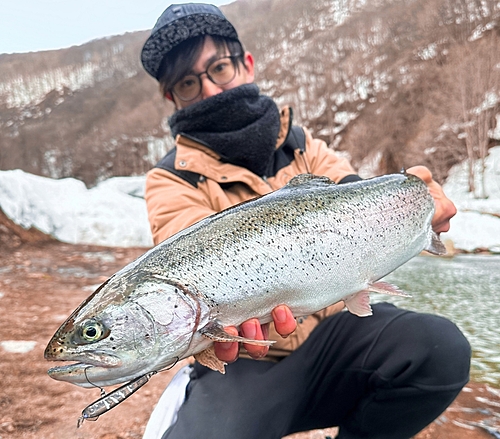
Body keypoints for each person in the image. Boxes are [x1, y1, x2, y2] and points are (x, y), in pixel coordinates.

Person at [140, 4, 471, 439]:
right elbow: (192, 264)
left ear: (246, 65)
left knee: (440, 349)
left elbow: (356, 192)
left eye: (219, 68)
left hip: (334, 335)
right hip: (247, 363)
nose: (209, 89)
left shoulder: (302, 145)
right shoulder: (169, 180)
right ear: (172, 97)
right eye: (187, 82)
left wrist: (420, 199)